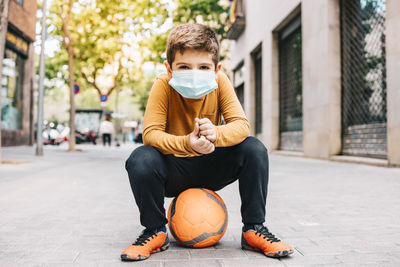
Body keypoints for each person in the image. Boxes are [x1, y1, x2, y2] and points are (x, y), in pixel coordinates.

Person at [122, 23, 293, 261]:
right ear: (169, 68)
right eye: (184, 66)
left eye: (204, 67)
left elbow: (241, 125)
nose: (194, 72)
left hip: (212, 166)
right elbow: (150, 133)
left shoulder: (220, 82)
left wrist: (215, 134)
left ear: (216, 69)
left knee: (254, 148)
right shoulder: (163, 85)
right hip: (174, 170)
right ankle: (155, 231)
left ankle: (254, 229)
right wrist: (187, 143)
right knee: (140, 158)